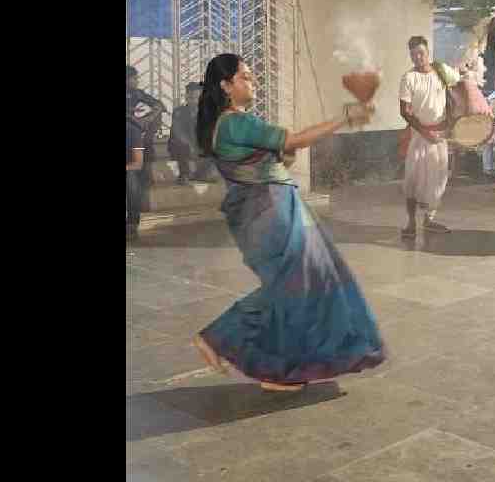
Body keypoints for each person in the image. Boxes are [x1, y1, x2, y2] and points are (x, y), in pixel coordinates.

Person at [191, 53, 385, 391]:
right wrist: (343, 118)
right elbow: (293, 141)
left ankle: (278, 370)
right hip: (270, 213)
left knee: (307, 284)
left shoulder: (233, 123)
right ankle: (221, 339)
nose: (253, 81)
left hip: (270, 209)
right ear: (225, 86)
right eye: (245, 76)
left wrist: (285, 152)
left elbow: (282, 154)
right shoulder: (236, 122)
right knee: (294, 287)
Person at [399, 35, 459, 237]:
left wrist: (450, 125)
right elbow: (404, 111)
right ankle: (411, 224)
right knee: (412, 179)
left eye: (421, 53)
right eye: (413, 54)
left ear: (428, 52)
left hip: (440, 135)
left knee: (438, 179)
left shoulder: (441, 72)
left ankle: (429, 220)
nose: (418, 57)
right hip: (419, 135)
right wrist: (425, 132)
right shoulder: (409, 78)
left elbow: (453, 96)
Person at [127, 65, 167, 210]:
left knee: (145, 150)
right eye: (134, 78)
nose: (136, 81)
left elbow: (160, 105)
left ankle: (141, 201)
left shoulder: (138, 93)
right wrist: (133, 116)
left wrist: (148, 119)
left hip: (137, 137)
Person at [168, 82, 215, 184]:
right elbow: (178, 132)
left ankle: (201, 174)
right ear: (186, 97)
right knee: (180, 144)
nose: (195, 101)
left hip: (198, 143)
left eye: (198, 98)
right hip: (182, 144)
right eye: (192, 97)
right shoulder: (179, 111)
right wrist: (191, 145)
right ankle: (184, 174)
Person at [126, 116, 145, 241]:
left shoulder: (132, 131)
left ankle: (132, 223)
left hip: (129, 169)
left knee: (131, 178)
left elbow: (138, 163)